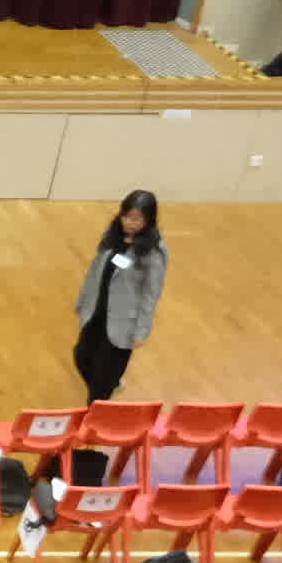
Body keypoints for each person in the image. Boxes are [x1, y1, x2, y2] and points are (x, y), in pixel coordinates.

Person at [71, 188, 166, 443]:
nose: (131, 223)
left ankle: (91, 428)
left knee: (101, 381)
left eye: (137, 219)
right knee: (81, 356)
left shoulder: (153, 251)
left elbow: (151, 294)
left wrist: (142, 329)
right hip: (98, 312)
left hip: (124, 322)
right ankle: (109, 386)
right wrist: (83, 302)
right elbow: (95, 271)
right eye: (127, 216)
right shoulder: (112, 236)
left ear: (148, 220)